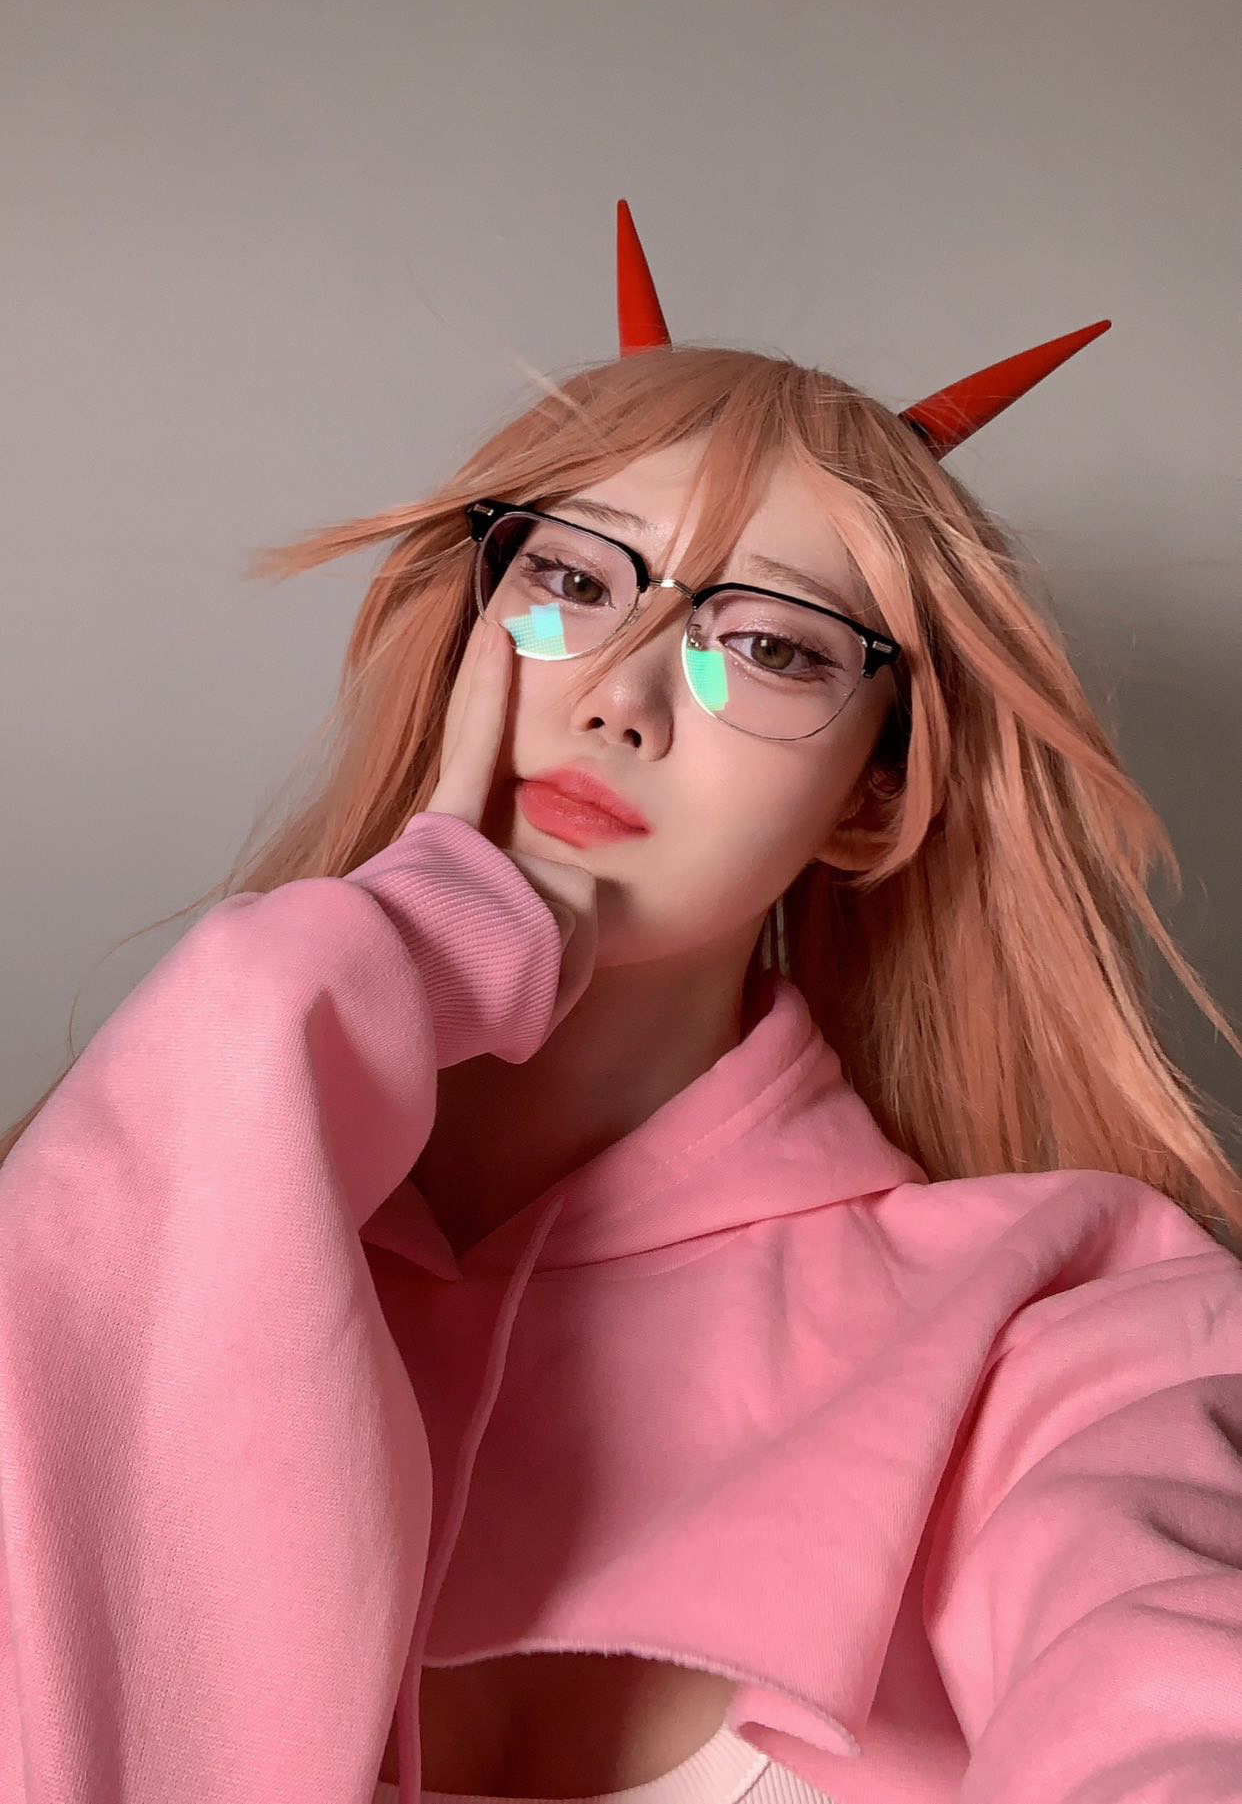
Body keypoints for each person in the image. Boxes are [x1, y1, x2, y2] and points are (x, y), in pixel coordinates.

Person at [1, 202, 1239, 1804]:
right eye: (572, 580)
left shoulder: (1060, 1330)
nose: (623, 694)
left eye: (767, 646)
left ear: (874, 796)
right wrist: (332, 977)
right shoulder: (119, 1219)